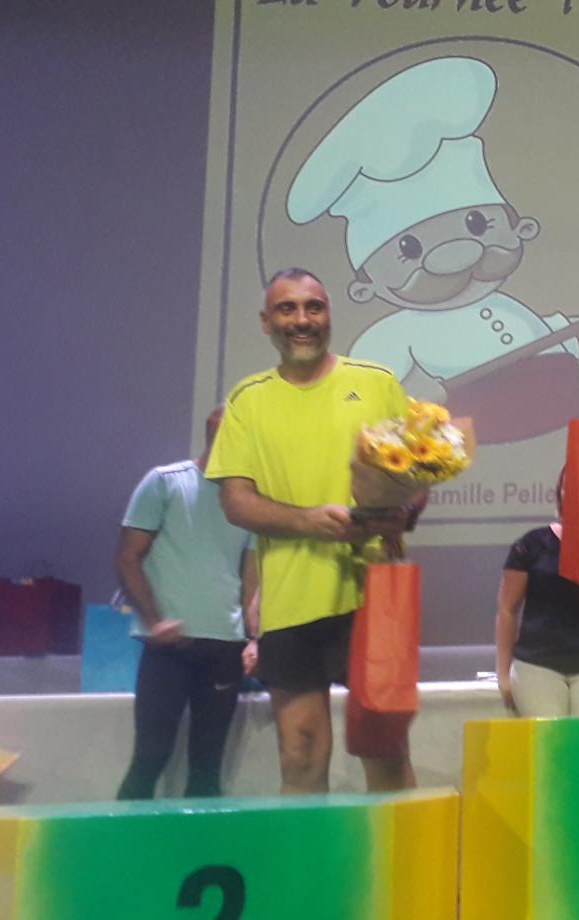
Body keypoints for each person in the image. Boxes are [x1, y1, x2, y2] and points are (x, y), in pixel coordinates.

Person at [208, 267, 426, 794]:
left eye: (314, 307)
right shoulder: (247, 400)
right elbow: (235, 501)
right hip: (291, 600)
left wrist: (404, 510)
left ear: (329, 315)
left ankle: (398, 850)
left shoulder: (376, 383)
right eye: (287, 309)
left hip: (375, 597)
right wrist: (308, 522)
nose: (302, 320)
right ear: (266, 322)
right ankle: (310, 853)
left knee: (386, 751)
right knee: (301, 755)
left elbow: (419, 475)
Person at [113, 407, 257, 800]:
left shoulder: (250, 502)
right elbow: (128, 557)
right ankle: (125, 838)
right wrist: (154, 621)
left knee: (208, 769)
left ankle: (196, 841)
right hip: (170, 646)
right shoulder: (165, 482)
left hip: (225, 645)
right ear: (211, 431)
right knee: (150, 757)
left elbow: (251, 577)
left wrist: (254, 638)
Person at [494, 469, 579, 717]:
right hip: (536, 665)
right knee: (550, 736)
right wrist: (502, 674)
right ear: (559, 493)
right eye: (568, 486)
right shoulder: (532, 544)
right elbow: (507, 608)